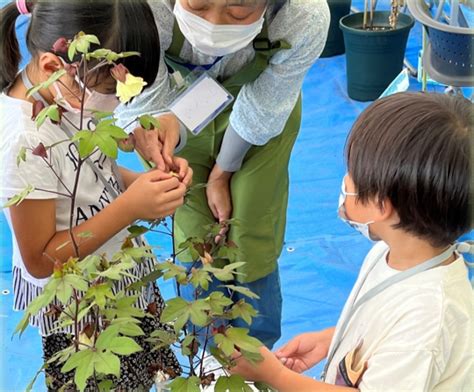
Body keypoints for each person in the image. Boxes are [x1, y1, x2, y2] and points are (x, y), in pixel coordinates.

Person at [0, 0, 192, 389]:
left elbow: (93, 172)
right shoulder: (24, 140)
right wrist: (129, 209)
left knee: (141, 375)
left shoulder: (68, 93)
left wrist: (142, 184)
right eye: (112, 90)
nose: (120, 104)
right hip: (81, 312)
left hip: (119, 276)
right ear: (56, 66)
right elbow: (40, 259)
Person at [116, 0, 330, 349]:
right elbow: (143, 97)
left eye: (238, 11)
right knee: (192, 229)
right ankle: (203, 352)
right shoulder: (143, 6)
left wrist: (223, 172)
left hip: (262, 108)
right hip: (172, 100)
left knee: (252, 227)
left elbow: (262, 109)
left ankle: (256, 356)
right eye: (198, 6)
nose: (213, 25)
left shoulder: (304, 15)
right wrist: (158, 132)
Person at [230, 92, 473, 391]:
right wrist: (332, 338)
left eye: (353, 176)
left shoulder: (429, 318)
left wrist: (278, 377)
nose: (345, 181)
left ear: (382, 206)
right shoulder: (391, 251)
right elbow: (386, 336)